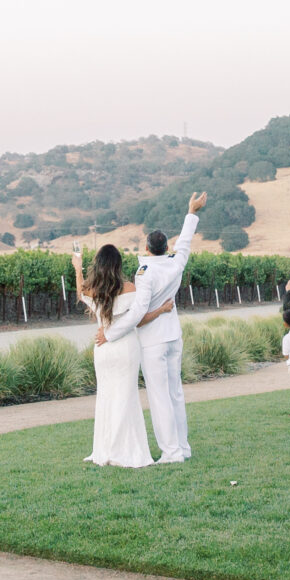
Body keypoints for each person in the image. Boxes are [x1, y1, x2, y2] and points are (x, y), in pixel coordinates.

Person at [107, 192, 206, 462]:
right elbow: (184, 243)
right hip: (174, 335)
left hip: (153, 341)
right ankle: (182, 447)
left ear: (148, 248)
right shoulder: (176, 264)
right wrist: (192, 211)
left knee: (160, 397)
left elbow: (138, 312)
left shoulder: (145, 273)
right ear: (164, 247)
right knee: (175, 394)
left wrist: (112, 332)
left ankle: (172, 452)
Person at [72, 245, 153, 468]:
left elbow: (80, 292)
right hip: (125, 346)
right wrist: (163, 309)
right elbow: (139, 318)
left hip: (103, 350)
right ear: (118, 265)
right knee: (126, 398)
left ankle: (106, 449)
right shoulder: (129, 288)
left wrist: (78, 268)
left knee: (106, 397)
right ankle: (123, 449)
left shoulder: (91, 290)